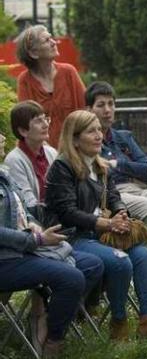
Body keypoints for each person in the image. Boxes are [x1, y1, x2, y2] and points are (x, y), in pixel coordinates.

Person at [45, 110, 147, 343]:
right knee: (120, 261)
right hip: (71, 237)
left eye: (99, 129)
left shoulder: (101, 166)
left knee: (142, 255)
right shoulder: (62, 167)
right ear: (75, 138)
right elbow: (66, 213)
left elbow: (113, 196)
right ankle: (118, 322)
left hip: (99, 235)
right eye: (91, 131)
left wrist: (121, 212)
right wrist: (107, 223)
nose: (99, 135)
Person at [0, 131, 103, 358]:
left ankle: (46, 313)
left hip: (24, 250)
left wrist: (34, 224)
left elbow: (25, 212)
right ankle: (52, 341)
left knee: (91, 264)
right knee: (71, 277)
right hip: (7, 259)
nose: (2, 138)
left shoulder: (3, 175)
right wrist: (36, 239)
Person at [85, 81, 147, 272]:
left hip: (138, 188)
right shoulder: (86, 138)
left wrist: (119, 164)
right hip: (110, 194)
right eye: (101, 105)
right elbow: (98, 171)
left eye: (111, 104)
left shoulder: (123, 138)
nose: (107, 110)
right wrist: (129, 168)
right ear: (89, 109)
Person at [16, 25, 86, 148]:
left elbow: (86, 110)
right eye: (46, 40)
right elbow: (26, 122)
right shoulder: (25, 81)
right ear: (33, 53)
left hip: (75, 148)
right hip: (43, 152)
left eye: (51, 38)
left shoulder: (69, 72)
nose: (54, 42)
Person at [4, 100, 57, 209]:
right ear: (23, 131)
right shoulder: (14, 160)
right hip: (37, 220)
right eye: (38, 121)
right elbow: (28, 203)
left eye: (46, 119)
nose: (46, 125)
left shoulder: (51, 152)